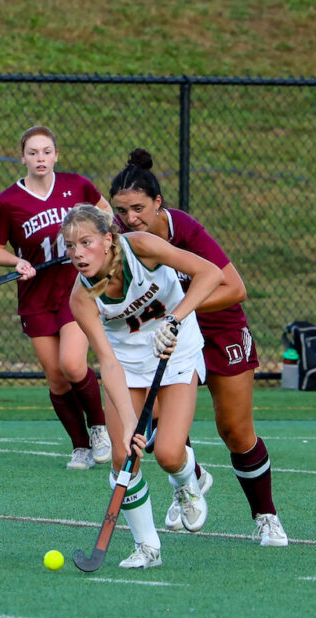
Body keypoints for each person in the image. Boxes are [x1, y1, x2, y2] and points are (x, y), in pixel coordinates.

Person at [109, 148, 287, 547]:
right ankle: (190, 478)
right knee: (149, 424)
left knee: (236, 432)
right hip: (163, 335)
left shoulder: (184, 230)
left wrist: (175, 312)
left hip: (218, 328)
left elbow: (234, 288)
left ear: (159, 203)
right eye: (122, 211)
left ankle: (266, 516)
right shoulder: (119, 239)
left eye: (139, 208)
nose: (131, 219)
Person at [62, 203, 223, 568]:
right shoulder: (80, 298)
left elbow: (210, 274)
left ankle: (187, 481)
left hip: (176, 351)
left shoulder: (142, 248)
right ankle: (148, 548)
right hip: (128, 366)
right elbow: (108, 361)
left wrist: (176, 320)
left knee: (167, 454)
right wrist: (129, 424)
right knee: (124, 457)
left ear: (107, 239)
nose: (77, 254)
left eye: (85, 243)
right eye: (70, 247)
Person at [0, 126, 112, 470]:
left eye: (46, 151)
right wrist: (17, 261)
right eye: (33, 152)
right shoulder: (10, 202)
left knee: (73, 364)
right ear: (22, 157)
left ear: (56, 154)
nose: (40, 158)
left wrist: (91, 245)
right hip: (36, 296)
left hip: (75, 290)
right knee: (55, 376)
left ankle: (100, 428)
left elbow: (105, 215)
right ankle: (80, 446)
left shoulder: (77, 186)